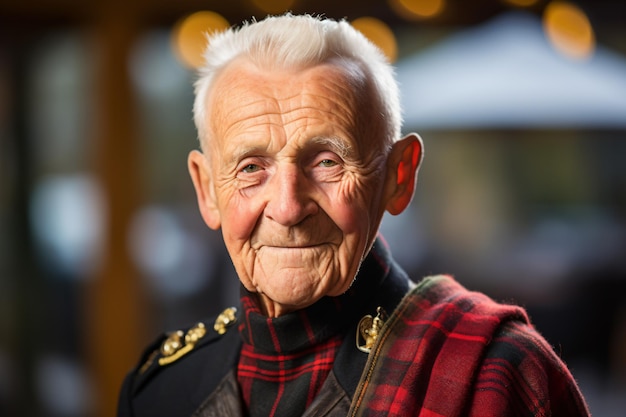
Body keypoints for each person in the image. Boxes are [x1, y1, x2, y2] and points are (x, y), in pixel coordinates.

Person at [117, 13, 590, 417]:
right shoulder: (162, 391)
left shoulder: (499, 375)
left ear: (397, 177)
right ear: (207, 191)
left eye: (326, 162)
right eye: (251, 168)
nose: (287, 208)